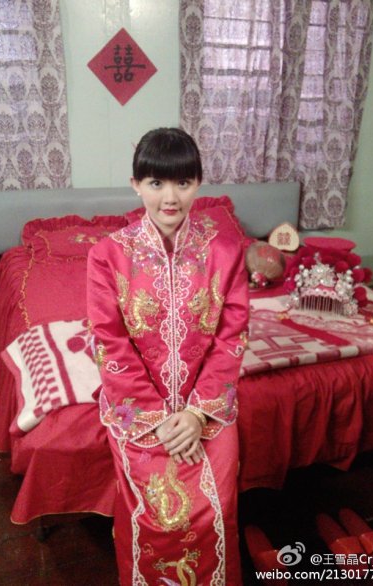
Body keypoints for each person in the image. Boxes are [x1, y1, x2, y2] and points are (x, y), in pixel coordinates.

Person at [87, 127, 249, 585]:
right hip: (138, 414)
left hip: (209, 410)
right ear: (136, 184)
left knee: (216, 509)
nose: (170, 197)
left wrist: (197, 414)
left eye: (183, 182)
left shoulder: (226, 251)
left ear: (199, 183)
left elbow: (232, 337)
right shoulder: (107, 255)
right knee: (157, 519)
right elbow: (108, 342)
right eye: (156, 183)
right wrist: (158, 419)